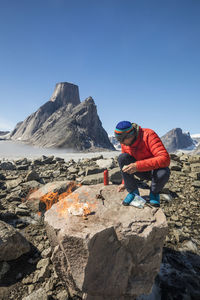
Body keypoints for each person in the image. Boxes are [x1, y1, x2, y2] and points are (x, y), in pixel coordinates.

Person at [115, 121, 170, 207]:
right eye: (118, 139)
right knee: (122, 157)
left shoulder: (148, 135)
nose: (121, 143)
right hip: (140, 170)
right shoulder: (124, 142)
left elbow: (165, 159)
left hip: (154, 172)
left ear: (131, 135)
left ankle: (154, 193)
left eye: (122, 139)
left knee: (164, 172)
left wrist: (137, 166)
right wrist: (124, 183)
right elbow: (125, 163)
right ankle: (133, 192)